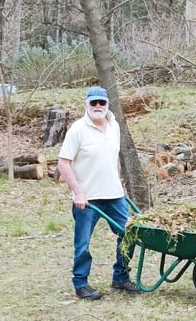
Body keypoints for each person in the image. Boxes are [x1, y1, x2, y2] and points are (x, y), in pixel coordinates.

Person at [58, 86, 141, 300]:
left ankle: (120, 277)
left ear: (107, 105)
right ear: (86, 104)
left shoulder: (114, 126)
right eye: (93, 103)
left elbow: (112, 159)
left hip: (114, 195)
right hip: (88, 198)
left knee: (129, 234)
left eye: (101, 103)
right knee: (83, 242)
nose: (97, 107)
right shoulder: (77, 130)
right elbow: (63, 163)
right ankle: (81, 283)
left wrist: (119, 183)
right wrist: (77, 192)